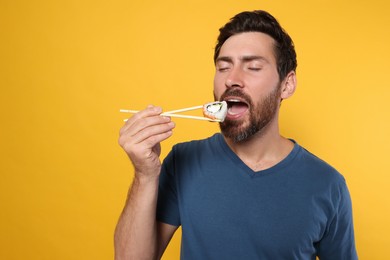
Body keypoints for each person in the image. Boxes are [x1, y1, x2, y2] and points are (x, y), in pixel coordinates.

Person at [115, 10, 358, 260]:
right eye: (223, 67)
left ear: (286, 85)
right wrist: (145, 175)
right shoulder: (183, 161)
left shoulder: (328, 186)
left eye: (252, 67)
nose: (232, 79)